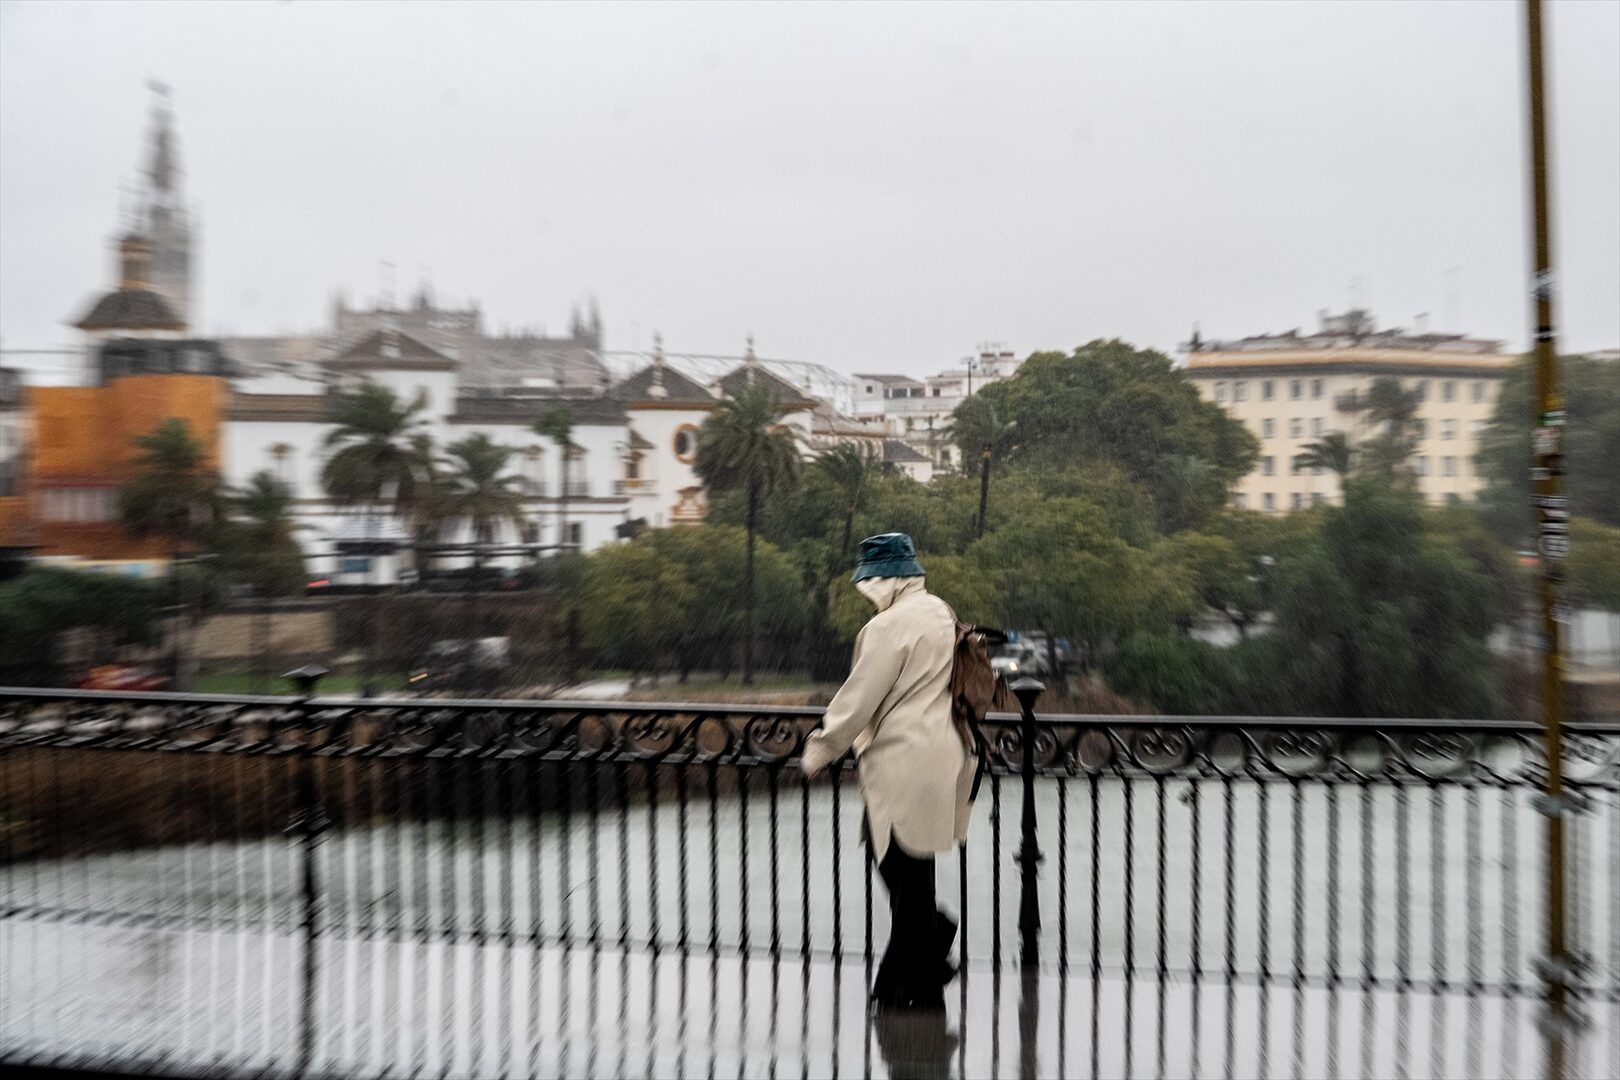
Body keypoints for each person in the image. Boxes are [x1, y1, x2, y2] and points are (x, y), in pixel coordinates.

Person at [800, 532, 974, 1010]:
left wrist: (819, 752)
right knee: (912, 869)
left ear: (884, 580)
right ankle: (927, 958)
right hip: (944, 753)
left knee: (898, 868)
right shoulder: (940, 611)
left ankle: (903, 981)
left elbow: (858, 699)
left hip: (903, 759)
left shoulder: (886, 627)